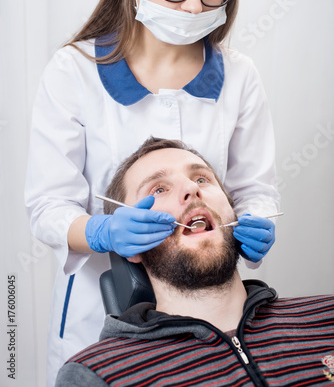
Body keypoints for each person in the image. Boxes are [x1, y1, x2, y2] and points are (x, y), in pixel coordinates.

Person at [24, 0, 280, 385]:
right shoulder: (75, 71)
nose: (191, 5)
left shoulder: (240, 76)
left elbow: (255, 192)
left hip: (205, 308)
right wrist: (101, 232)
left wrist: (256, 221)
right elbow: (47, 206)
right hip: (98, 313)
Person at [55, 137, 334, 387]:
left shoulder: (326, 317)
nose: (191, 188)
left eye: (202, 179)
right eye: (159, 189)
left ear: (231, 210)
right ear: (130, 241)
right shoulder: (97, 374)